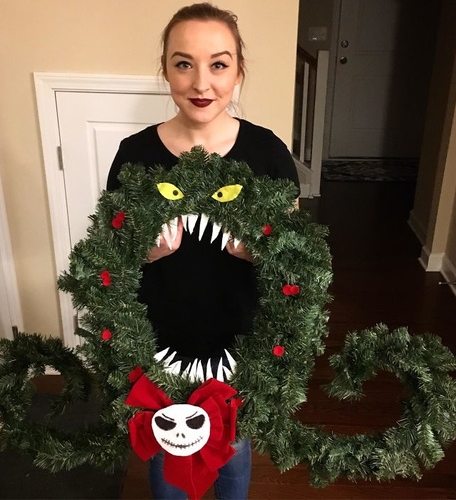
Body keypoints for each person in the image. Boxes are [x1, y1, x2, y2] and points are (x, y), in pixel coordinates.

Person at [107, 3, 300, 498]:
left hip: (239, 338)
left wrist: (261, 251)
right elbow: (108, 257)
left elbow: (298, 258)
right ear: (166, 69)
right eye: (183, 63)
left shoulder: (267, 153)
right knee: (169, 449)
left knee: (231, 448)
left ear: (238, 71)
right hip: (159, 339)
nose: (201, 83)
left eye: (218, 64)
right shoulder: (135, 154)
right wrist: (143, 252)